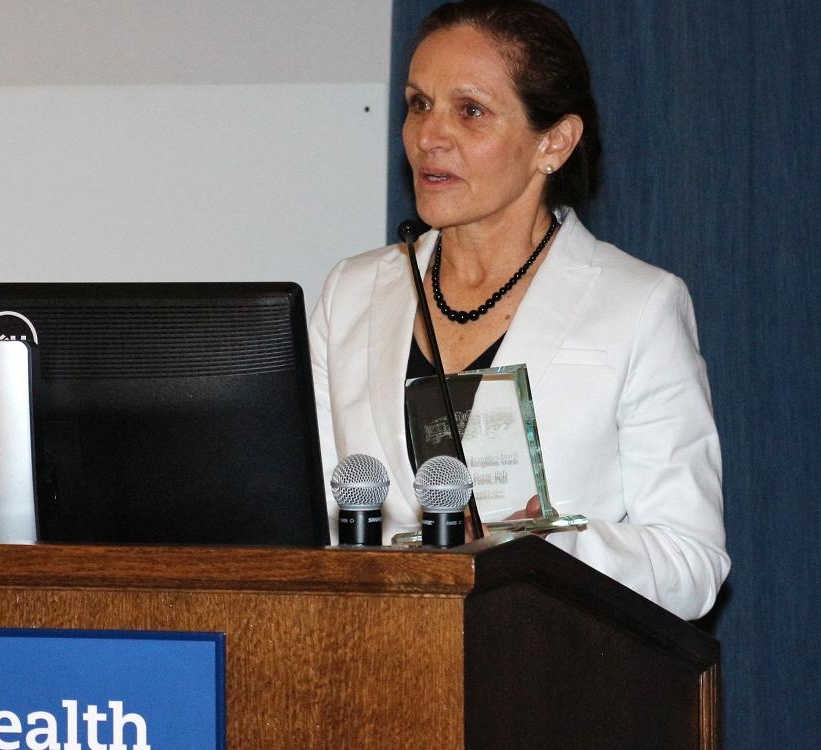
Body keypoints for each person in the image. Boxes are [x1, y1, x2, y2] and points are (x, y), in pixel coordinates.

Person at [308, 0, 729, 621]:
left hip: (544, 677)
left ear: (553, 142)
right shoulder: (352, 292)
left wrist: (532, 545)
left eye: (470, 111)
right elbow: (299, 521)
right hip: (373, 666)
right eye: (419, 103)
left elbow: (691, 565)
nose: (429, 135)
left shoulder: (638, 306)